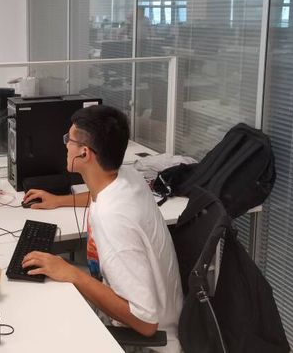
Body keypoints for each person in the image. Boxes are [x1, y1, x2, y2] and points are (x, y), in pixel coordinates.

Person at [22, 105, 183, 352]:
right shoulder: (126, 176)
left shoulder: (113, 219)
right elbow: (100, 194)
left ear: (84, 153)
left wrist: (72, 274)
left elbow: (146, 323)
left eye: (68, 140)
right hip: (162, 309)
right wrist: (59, 200)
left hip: (149, 342)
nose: (65, 145)